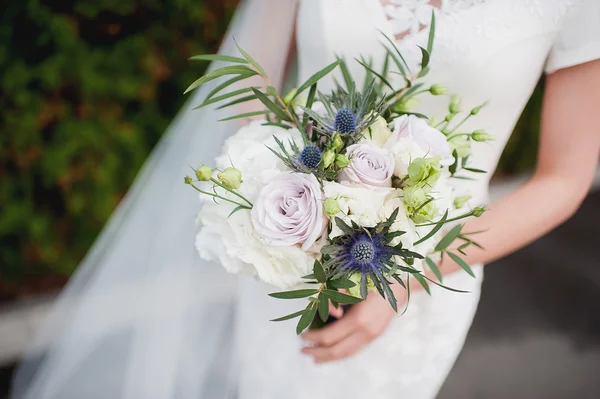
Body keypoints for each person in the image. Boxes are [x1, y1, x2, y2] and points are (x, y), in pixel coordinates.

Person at [13, 1, 600, 398]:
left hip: (430, 271)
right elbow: (244, 83)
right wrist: (282, 201)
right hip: (289, 241)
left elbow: (564, 180)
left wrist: (406, 276)